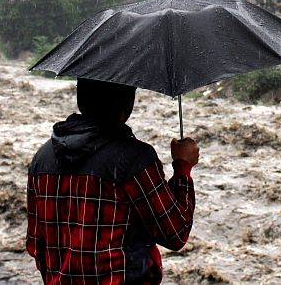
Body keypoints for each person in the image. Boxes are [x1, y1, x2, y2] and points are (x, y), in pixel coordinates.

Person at [27, 78, 199, 284]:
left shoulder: (42, 158)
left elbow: (36, 244)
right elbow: (175, 233)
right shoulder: (135, 159)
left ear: (81, 97)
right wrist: (182, 168)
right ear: (127, 103)